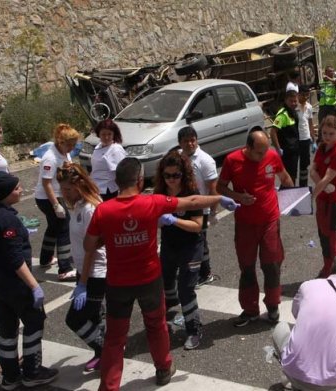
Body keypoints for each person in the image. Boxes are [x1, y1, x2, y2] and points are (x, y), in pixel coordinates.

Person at [75, 157, 238, 390]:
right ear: (140, 181)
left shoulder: (103, 210)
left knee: (115, 337)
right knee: (156, 325)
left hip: (118, 284)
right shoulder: (151, 203)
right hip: (148, 279)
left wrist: (110, 237)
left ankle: (109, 386)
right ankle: (163, 368)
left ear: (117, 181)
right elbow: (190, 201)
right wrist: (220, 198)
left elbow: (89, 246)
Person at [0, 172, 59, 390]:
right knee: (34, 322)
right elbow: (15, 260)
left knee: (6, 329)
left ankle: (10, 376)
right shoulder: (7, 219)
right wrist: (34, 286)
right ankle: (32, 372)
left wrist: (19, 231)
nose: (21, 190)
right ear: (5, 194)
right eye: (16, 188)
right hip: (13, 283)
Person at [217, 129, 294, 328]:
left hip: (269, 220)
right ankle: (250, 310)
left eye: (266, 151)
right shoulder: (232, 161)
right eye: (259, 152)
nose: (263, 156)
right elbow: (221, 187)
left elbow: (285, 178)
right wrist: (238, 197)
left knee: (271, 265)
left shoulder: (271, 155)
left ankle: (273, 306)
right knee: (247, 267)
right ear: (248, 148)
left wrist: (294, 200)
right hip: (245, 224)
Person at [272, 255, 336, 391]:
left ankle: (296, 382)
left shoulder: (307, 286)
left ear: (331, 271)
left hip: (294, 375)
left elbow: (296, 314)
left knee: (281, 326)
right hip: (335, 384)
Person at [57, 163, 106, 373]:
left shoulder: (89, 209)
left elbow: (91, 250)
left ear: (80, 186)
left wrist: (83, 283)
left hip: (96, 273)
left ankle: (106, 351)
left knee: (74, 319)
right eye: (62, 189)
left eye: (68, 189)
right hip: (85, 272)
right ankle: (102, 353)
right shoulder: (77, 205)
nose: (64, 193)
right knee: (94, 317)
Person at [154, 151, 205, 350]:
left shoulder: (192, 194)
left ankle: (194, 329)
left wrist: (174, 220)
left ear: (183, 174)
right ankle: (170, 308)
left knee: (186, 288)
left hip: (191, 246)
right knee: (165, 284)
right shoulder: (160, 194)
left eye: (176, 175)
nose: (172, 180)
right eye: (167, 176)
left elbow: (197, 225)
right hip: (169, 246)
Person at [34, 123, 80, 281]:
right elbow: (46, 183)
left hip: (55, 195)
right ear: (61, 143)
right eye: (69, 145)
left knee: (53, 227)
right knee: (63, 228)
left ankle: (45, 258)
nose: (71, 148)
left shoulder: (63, 153)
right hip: (48, 197)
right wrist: (56, 205)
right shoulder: (50, 158)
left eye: (73, 145)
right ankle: (65, 268)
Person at [310, 116, 336, 277]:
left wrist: (312, 196)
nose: (327, 137)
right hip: (323, 198)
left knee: (330, 238)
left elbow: (326, 176)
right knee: (323, 235)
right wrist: (323, 186)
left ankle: (333, 271)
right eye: (324, 133)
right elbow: (312, 171)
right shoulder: (322, 147)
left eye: (331, 134)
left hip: (334, 202)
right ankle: (330, 267)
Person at [178, 126, 218, 286]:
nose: (189, 144)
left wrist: (213, 212)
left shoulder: (205, 160)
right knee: (188, 241)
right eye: (185, 141)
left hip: (201, 208)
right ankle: (191, 271)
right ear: (180, 143)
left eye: (192, 140)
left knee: (199, 242)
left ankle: (205, 273)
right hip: (184, 207)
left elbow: (213, 188)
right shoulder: (180, 158)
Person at [90, 119, 127, 201]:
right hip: (95, 187)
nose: (106, 137)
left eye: (109, 134)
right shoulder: (98, 146)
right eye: (103, 134)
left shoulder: (116, 149)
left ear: (114, 134)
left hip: (107, 190)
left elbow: (122, 172)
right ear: (98, 134)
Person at [271, 90, 300, 185]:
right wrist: (278, 149)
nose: (294, 103)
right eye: (291, 101)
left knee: (293, 176)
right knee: (287, 178)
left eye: (295, 101)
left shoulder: (292, 112)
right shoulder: (282, 115)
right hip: (287, 153)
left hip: (294, 150)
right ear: (286, 100)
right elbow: (273, 132)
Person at [297, 86, 316, 187]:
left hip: (305, 139)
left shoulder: (309, 107)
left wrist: (313, 140)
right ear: (298, 94)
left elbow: (310, 123)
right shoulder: (294, 106)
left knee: (304, 165)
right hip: (296, 140)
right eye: (303, 95)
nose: (305, 97)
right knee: (294, 164)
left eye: (307, 95)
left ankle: (303, 186)